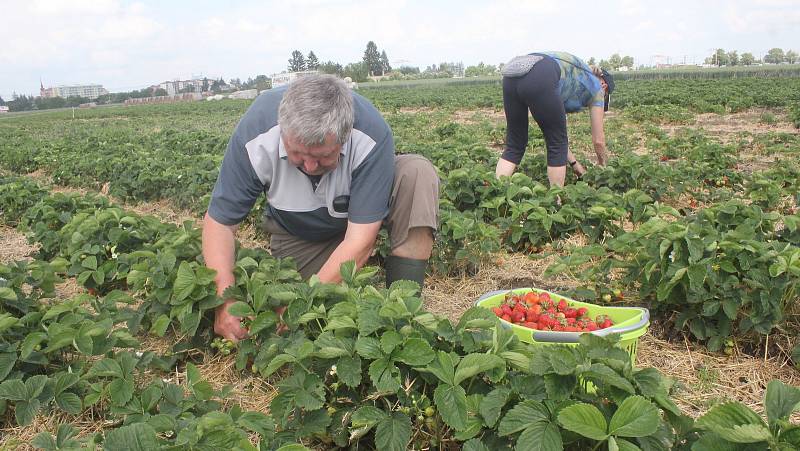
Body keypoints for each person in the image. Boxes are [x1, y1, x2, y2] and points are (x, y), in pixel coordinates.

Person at [203, 74, 439, 341]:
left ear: (345, 136)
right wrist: (225, 299)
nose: (310, 167)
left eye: (323, 156)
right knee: (295, 319)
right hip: (298, 235)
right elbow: (219, 223)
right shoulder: (256, 131)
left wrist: (304, 304)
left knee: (417, 173)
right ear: (283, 131)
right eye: (297, 154)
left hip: (357, 228)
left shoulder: (370, 131)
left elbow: (359, 241)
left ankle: (403, 315)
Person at [495, 51, 615, 186]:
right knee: (556, 144)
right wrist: (602, 164)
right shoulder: (597, 88)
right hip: (541, 72)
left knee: (515, 144)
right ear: (604, 85)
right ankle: (555, 202)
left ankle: (496, 189)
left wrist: (575, 165)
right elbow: (598, 141)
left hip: (512, 73)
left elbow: (556, 131)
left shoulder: (574, 77)